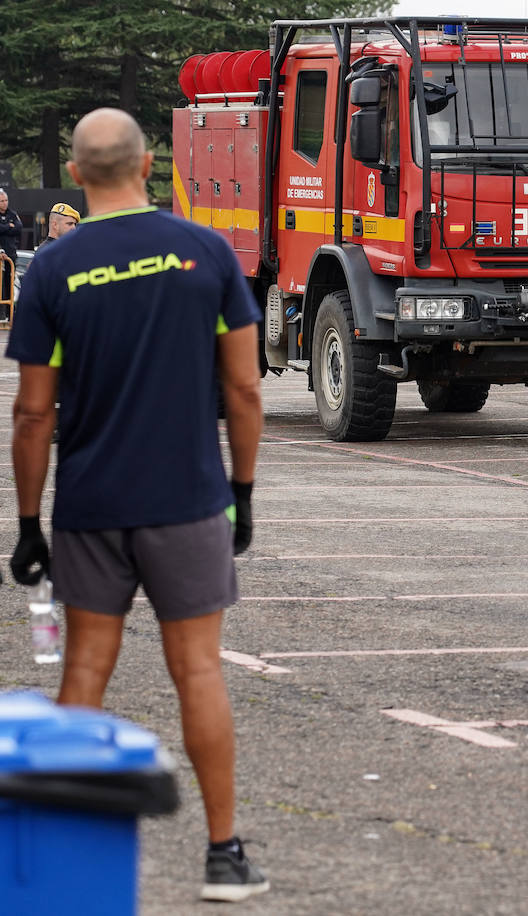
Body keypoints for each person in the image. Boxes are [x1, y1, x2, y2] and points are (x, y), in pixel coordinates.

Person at [7, 108, 268, 903]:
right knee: (197, 670)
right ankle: (224, 857)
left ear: (79, 177)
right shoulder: (207, 252)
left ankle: (64, 855)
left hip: (92, 502)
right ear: (149, 165)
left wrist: (27, 522)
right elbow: (246, 389)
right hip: (189, 501)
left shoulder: (52, 269)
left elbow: (32, 414)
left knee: (85, 669)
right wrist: (243, 493)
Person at [0, 188, 22, 308]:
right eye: (2, 201)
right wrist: (9, 226)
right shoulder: (10, 219)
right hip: (0, 255)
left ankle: (9, 312)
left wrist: (4, 227)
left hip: (10, 255)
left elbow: (18, 227)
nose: (4, 203)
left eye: (6, 200)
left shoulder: (12, 214)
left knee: (10, 283)